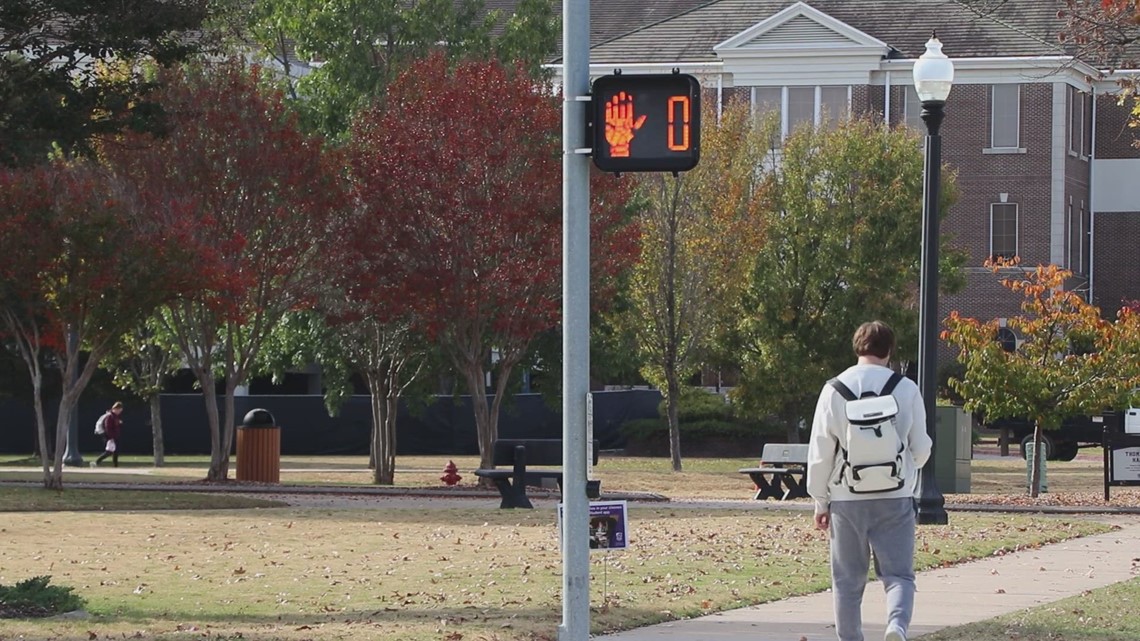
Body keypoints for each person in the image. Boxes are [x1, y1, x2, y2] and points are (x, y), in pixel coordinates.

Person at [807, 321, 932, 641]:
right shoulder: (906, 388)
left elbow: (820, 451)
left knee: (847, 582)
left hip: (846, 498)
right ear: (889, 350)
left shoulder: (833, 389)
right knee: (899, 576)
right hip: (895, 495)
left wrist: (820, 500)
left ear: (857, 347)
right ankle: (896, 627)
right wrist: (908, 469)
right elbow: (920, 448)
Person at [92, 402, 124, 467]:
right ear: (115, 409)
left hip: (113, 435)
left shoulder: (115, 416)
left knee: (115, 450)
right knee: (110, 451)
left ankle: (115, 465)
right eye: (119, 410)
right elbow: (108, 427)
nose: (119, 412)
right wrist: (111, 437)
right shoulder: (110, 416)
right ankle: (96, 462)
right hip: (109, 436)